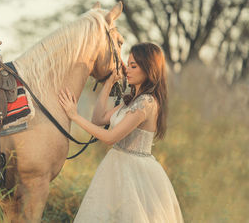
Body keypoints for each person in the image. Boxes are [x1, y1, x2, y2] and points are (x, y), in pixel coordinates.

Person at [59, 42, 183, 222]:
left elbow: (110, 138)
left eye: (134, 66)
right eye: (128, 65)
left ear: (149, 69)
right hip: (116, 166)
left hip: (135, 172)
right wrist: (109, 83)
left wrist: (74, 116)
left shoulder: (146, 103)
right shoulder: (131, 102)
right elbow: (98, 119)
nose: (128, 70)